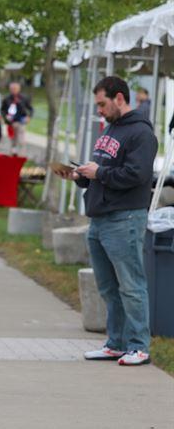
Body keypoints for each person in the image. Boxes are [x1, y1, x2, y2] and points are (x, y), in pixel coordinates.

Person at [59, 76, 158, 366]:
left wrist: (98, 173)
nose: (99, 110)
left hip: (124, 218)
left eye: (102, 103)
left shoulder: (141, 133)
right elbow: (102, 172)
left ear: (119, 98)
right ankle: (115, 343)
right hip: (100, 218)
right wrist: (81, 176)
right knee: (107, 287)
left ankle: (139, 345)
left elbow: (137, 175)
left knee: (131, 284)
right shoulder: (111, 129)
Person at [0, 81, 33, 154]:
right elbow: (2, 110)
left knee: (21, 140)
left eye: (15, 88)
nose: (14, 90)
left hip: (21, 121)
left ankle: (22, 154)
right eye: (12, 89)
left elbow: (30, 109)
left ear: (19, 89)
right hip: (11, 122)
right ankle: (13, 154)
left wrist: (29, 117)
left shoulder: (23, 98)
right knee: (13, 140)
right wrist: (5, 117)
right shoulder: (7, 99)